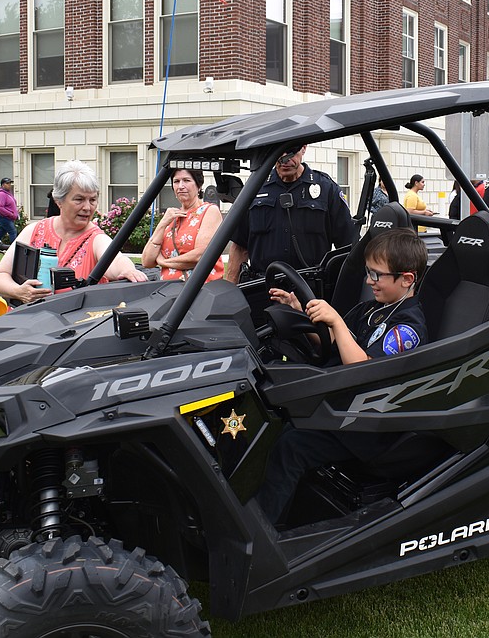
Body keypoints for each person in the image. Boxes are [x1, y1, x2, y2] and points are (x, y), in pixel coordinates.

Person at [257, 229, 428, 523]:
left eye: (377, 275)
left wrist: (335, 318)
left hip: (370, 423)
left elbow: (364, 370)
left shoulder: (407, 327)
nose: (368, 281)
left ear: (407, 279)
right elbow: (336, 341)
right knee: (272, 422)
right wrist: (300, 313)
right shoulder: (374, 309)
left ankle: (262, 533)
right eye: (368, 272)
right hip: (344, 404)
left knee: (290, 447)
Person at [0, 161, 147, 304]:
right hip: (24, 324)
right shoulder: (34, 231)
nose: (87, 207)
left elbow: (116, 260)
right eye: (79, 199)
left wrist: (128, 270)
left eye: (92, 200)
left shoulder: (96, 239)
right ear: (59, 200)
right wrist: (18, 291)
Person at [225, 144, 357, 283]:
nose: (284, 159)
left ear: (304, 148)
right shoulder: (255, 188)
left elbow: (347, 247)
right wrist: (230, 294)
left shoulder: (326, 189)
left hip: (311, 290)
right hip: (263, 288)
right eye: (279, 153)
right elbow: (240, 247)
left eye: (291, 153)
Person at [142, 167, 225, 282]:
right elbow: (147, 261)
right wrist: (162, 223)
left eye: (186, 180)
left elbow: (200, 256)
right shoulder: (171, 216)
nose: (181, 186)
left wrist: (163, 262)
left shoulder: (209, 211)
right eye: (176, 181)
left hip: (199, 291)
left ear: (198, 185)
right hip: (166, 292)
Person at [0, 177, 19, 245]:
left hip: (8, 217)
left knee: (2, 231)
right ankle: (14, 248)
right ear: (3, 185)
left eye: (10, 183)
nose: (9, 185)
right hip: (3, 217)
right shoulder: (1, 194)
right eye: (7, 183)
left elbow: (11, 205)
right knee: (12, 231)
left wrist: (16, 214)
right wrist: (11, 214)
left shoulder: (7, 194)